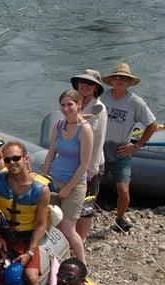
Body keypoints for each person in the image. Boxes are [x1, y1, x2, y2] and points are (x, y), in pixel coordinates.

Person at [0, 141, 50, 285]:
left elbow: (40, 224)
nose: (12, 163)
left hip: (27, 238)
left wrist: (30, 252)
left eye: (16, 158)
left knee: (30, 277)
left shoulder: (41, 189)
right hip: (2, 236)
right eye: (7, 159)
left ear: (26, 159)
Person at [101, 62, 157, 231]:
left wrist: (137, 145)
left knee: (123, 190)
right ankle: (85, 215)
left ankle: (120, 219)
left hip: (122, 152)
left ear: (128, 82)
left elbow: (152, 124)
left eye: (124, 78)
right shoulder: (102, 97)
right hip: (100, 151)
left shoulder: (135, 102)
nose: (120, 80)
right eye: (117, 77)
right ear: (111, 80)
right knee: (91, 186)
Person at [42, 89, 93, 263]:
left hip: (75, 184)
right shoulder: (58, 125)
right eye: (63, 105)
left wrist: (68, 188)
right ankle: (55, 258)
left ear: (79, 105)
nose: (65, 108)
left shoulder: (85, 129)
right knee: (49, 221)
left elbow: (84, 164)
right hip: (55, 178)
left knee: (68, 228)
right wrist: (44, 178)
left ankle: (82, 262)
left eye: (70, 104)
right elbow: (50, 153)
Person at [70, 69, 107, 243]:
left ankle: (81, 239)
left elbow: (97, 142)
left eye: (89, 83)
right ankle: (71, 236)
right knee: (73, 201)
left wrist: (91, 170)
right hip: (73, 162)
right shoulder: (75, 104)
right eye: (82, 82)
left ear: (96, 88)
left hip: (91, 165)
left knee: (86, 204)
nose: (85, 86)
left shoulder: (98, 109)